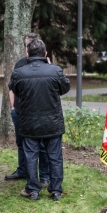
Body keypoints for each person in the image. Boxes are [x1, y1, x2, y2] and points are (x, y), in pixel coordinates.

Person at [8, 34, 71, 201]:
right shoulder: (55, 70)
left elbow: (16, 90)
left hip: (29, 122)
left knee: (31, 155)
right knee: (55, 156)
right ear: (45, 53)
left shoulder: (19, 73)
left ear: (27, 53)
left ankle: (33, 189)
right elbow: (65, 88)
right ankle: (56, 190)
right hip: (52, 122)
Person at [5, 34, 50, 188]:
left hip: (40, 113)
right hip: (20, 112)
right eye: (28, 46)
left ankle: (44, 176)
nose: (31, 48)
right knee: (21, 142)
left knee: (42, 145)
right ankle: (23, 170)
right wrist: (13, 107)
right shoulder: (20, 64)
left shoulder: (47, 65)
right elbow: (11, 87)